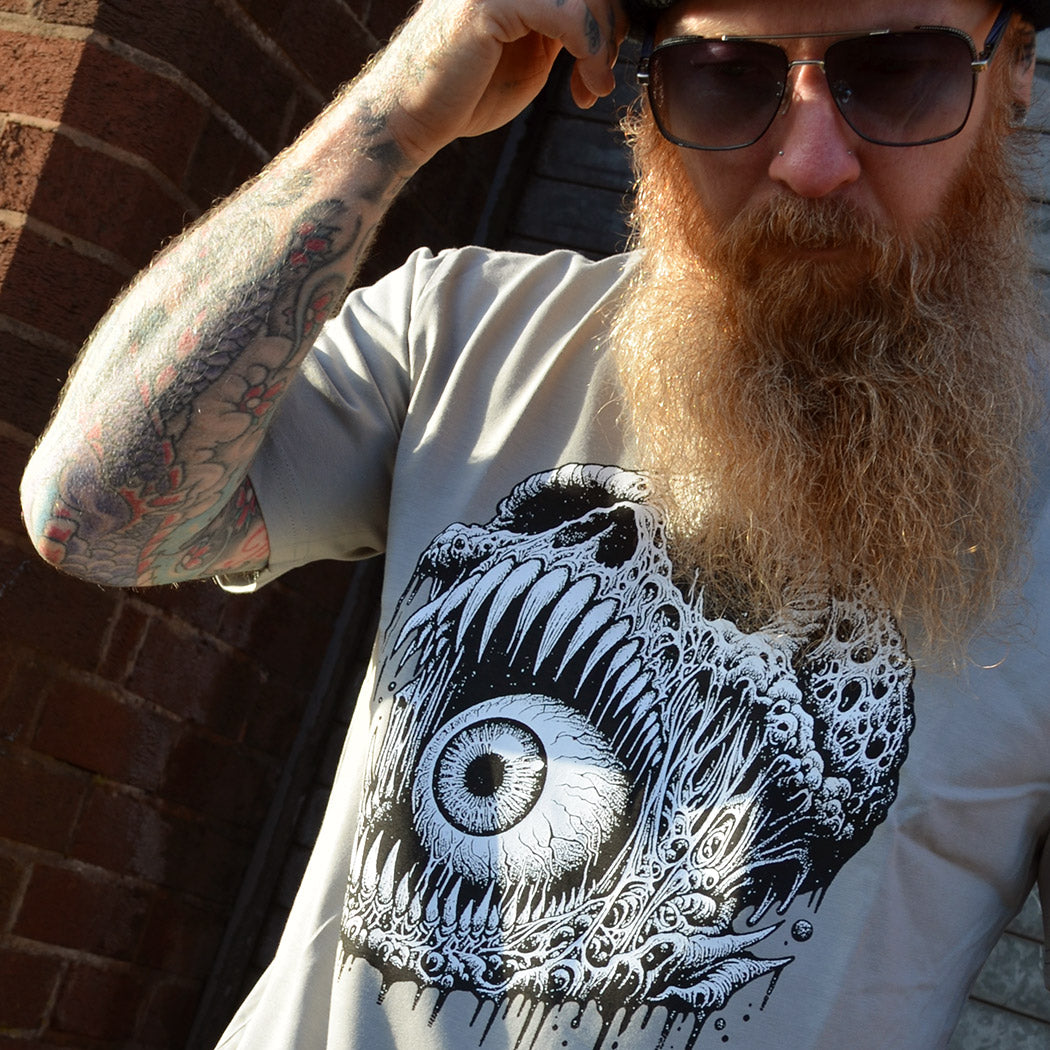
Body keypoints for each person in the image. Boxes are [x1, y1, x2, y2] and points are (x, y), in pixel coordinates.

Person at [18, 0, 1050, 1046]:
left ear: (1013, 64)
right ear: (643, 91)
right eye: (723, 74)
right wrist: (395, 115)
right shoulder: (461, 329)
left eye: (900, 74)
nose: (810, 162)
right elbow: (95, 517)